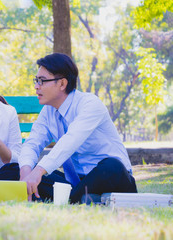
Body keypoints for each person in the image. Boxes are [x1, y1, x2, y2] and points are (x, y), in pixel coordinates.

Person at [19, 53, 137, 203]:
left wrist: (39, 171)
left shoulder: (90, 104)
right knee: (15, 167)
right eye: (36, 80)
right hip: (77, 184)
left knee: (112, 165)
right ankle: (81, 199)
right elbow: (32, 143)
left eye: (42, 81)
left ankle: (71, 200)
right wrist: (26, 172)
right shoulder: (48, 111)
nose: (36, 86)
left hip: (113, 179)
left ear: (62, 84)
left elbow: (70, 141)